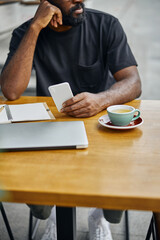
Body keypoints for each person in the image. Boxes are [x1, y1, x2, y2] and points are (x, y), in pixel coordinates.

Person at [0, 0, 142, 239]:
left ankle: (98, 216)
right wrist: (35, 28)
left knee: (123, 171)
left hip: (100, 124)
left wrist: (101, 99)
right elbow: (11, 91)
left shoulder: (106, 24)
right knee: (27, 179)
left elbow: (133, 82)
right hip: (51, 126)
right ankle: (56, 213)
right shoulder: (27, 31)